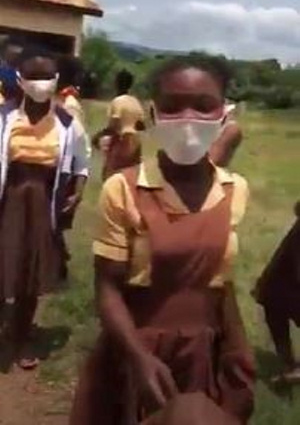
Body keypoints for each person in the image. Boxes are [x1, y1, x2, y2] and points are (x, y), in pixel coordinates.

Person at [70, 56, 255, 425]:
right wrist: (138, 357)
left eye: (203, 106)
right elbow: (107, 287)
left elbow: (223, 282)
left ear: (224, 114)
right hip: (135, 346)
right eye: (172, 106)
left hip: (205, 349)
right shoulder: (122, 188)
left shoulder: (235, 189)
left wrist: (236, 349)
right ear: (153, 113)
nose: (188, 118)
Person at [0, 46, 89, 369]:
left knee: (30, 272)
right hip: (8, 198)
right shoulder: (4, 116)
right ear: (20, 80)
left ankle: (22, 336)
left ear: (56, 79)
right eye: (33, 76)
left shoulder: (68, 122)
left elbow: (82, 163)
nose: (41, 82)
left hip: (42, 201)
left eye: (47, 76)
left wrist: (76, 194)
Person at [252, 202, 300, 384]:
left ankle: (290, 366)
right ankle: (288, 364)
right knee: (273, 299)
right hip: (281, 282)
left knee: (273, 299)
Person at [56, 55, 91, 280]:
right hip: (60, 173)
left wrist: (78, 190)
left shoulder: (69, 106)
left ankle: (59, 266)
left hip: (64, 175)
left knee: (52, 224)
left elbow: (82, 151)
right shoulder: (62, 102)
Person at [92, 69, 145, 180]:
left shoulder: (117, 101)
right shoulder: (135, 102)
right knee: (131, 176)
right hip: (135, 142)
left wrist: (98, 136)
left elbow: (114, 126)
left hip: (121, 140)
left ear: (116, 83)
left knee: (110, 176)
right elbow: (141, 125)